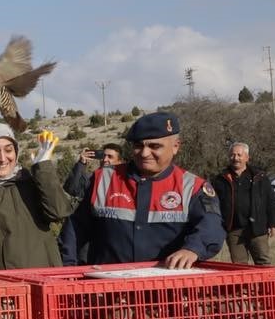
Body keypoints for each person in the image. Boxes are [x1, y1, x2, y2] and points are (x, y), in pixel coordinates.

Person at [67, 112, 224, 268]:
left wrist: (192, 249)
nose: (144, 153)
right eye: (138, 146)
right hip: (108, 286)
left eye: (154, 146)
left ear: (175, 146)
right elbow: (75, 228)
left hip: (166, 286)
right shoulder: (102, 179)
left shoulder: (193, 187)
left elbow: (211, 225)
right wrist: (69, 269)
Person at [0, 123, 75, 269]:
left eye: (8, 150)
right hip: (1, 284)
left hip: (41, 278)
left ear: (16, 152)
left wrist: (44, 168)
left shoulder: (31, 182)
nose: (2, 158)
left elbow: (58, 212)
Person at [213, 142, 275, 265]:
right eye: (233, 155)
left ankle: (263, 285)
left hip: (257, 228)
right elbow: (214, 204)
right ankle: (245, 286)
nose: (236, 158)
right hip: (233, 229)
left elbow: (270, 201)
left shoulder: (259, 177)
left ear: (247, 157)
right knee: (239, 266)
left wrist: (273, 224)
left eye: (239, 155)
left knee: (263, 263)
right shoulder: (220, 179)